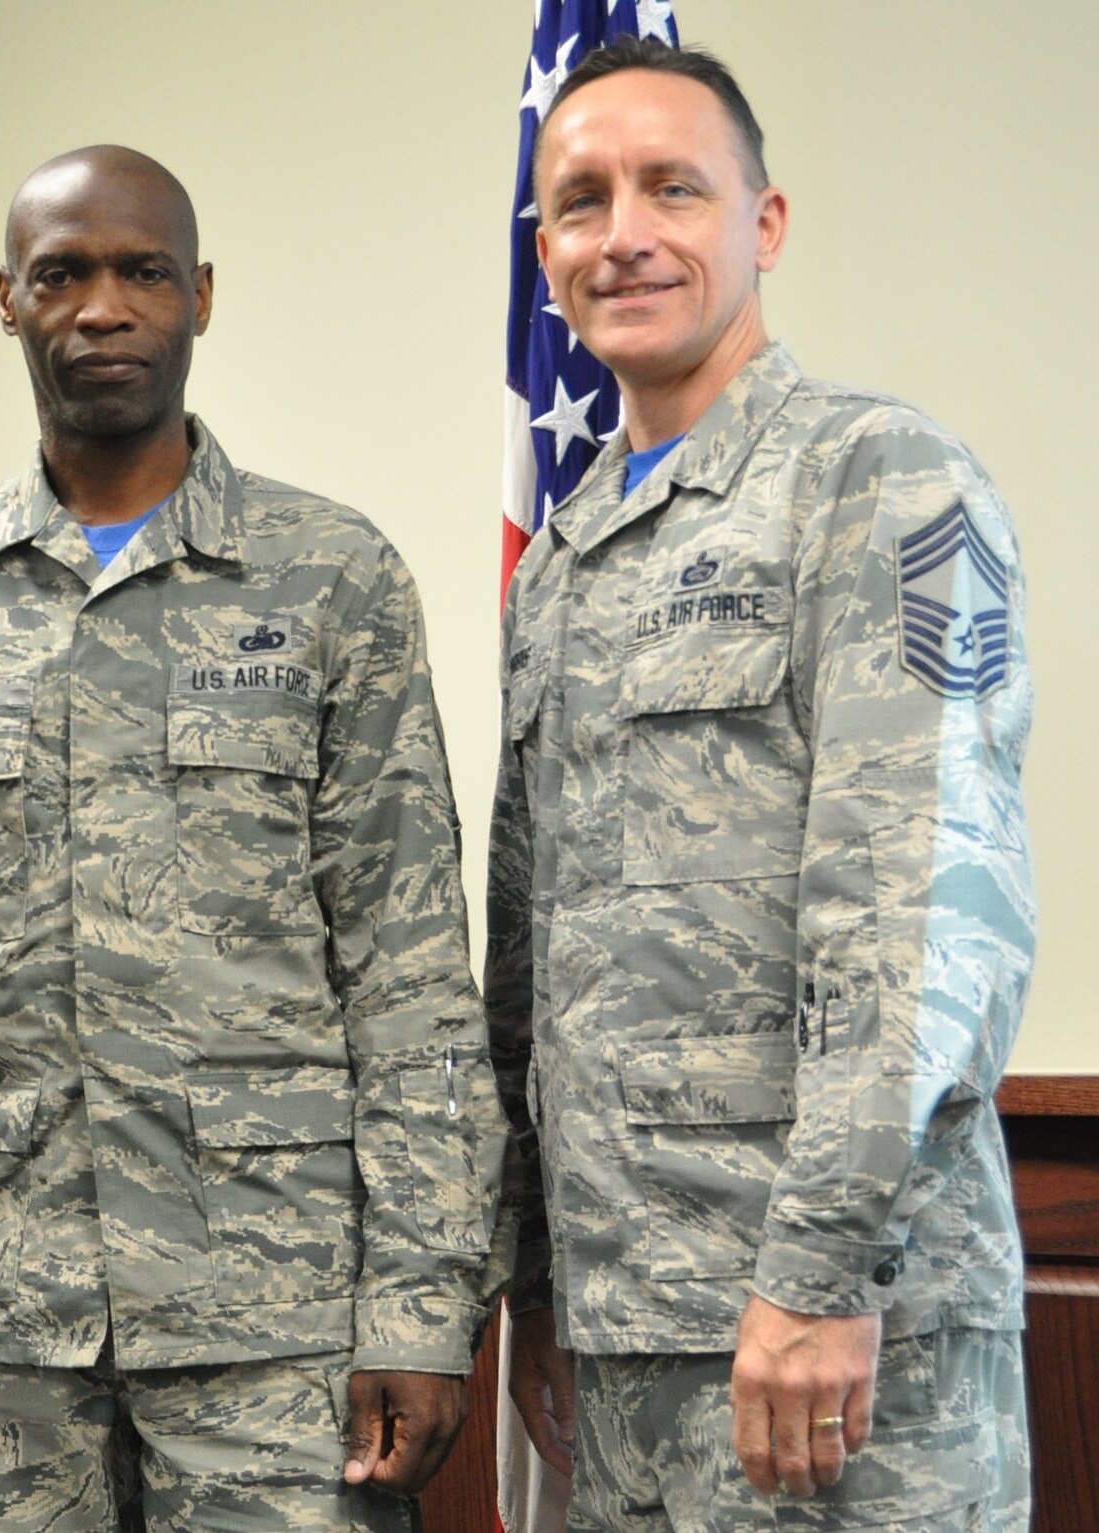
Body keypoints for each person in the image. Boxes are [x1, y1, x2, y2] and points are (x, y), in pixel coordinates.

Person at [0, 145, 507, 1532]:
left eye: (141, 272)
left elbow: (409, 976)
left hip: (277, 1326)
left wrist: (418, 1304)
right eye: (62, 273)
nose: (101, 307)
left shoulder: (332, 579)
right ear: (7, 300)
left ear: (202, 297)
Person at [489, 38, 1034, 1532]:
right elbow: (526, 958)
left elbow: (924, 914)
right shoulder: (566, 564)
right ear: (549, 254)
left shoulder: (884, 481)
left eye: (675, 187)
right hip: (627, 1345)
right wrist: (538, 1284)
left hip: (845, 1333)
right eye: (584, 202)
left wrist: (815, 1273)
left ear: (764, 224)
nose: (629, 235)